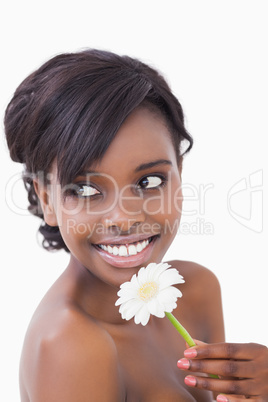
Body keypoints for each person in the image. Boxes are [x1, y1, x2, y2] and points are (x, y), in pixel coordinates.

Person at [4, 49, 268, 401]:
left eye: (150, 181)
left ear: (179, 175)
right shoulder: (69, 344)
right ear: (47, 200)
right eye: (84, 189)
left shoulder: (196, 291)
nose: (124, 218)